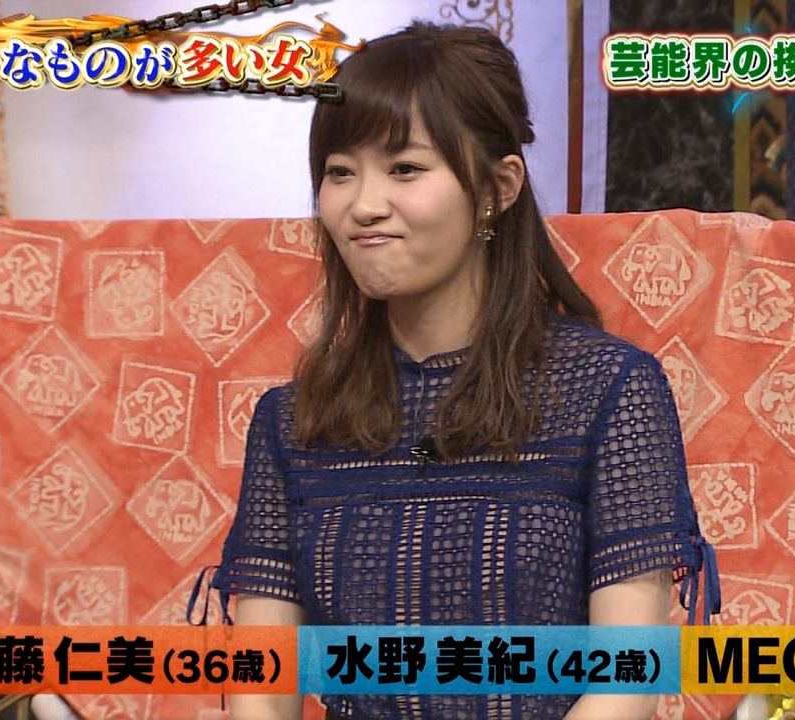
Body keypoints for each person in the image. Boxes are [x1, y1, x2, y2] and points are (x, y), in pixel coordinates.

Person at [206, 21, 718, 720]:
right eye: (340, 172)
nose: (364, 205)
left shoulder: (608, 390)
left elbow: (625, 681)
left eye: (405, 169)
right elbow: (262, 691)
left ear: (497, 187)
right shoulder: (293, 421)